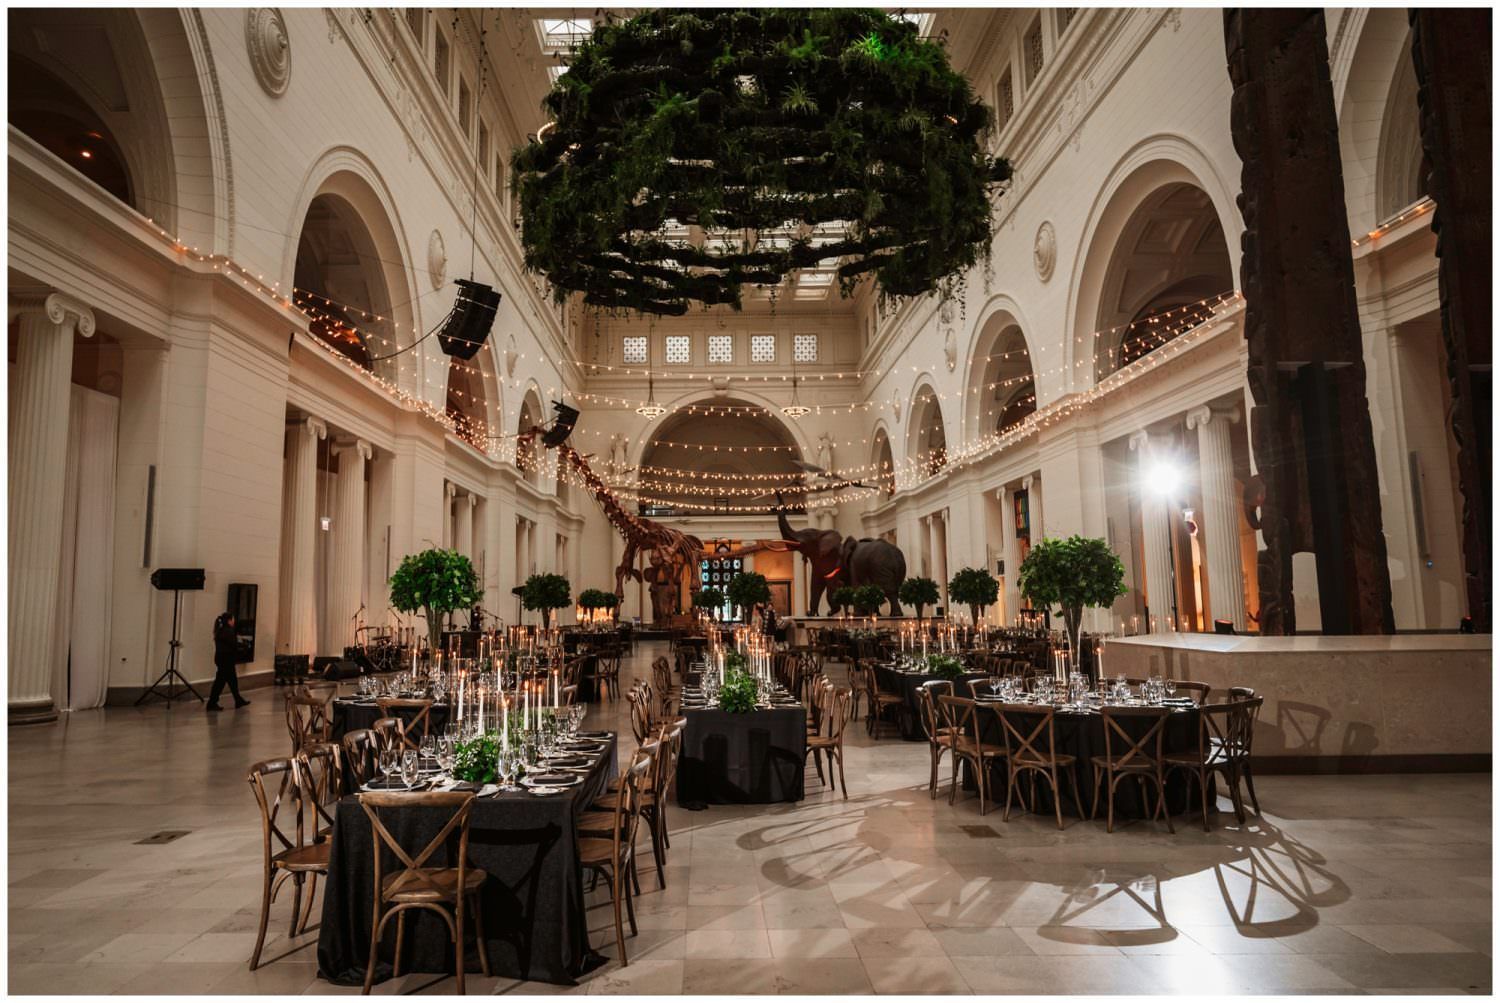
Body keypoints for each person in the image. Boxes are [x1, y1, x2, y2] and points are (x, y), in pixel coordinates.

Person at [207, 611, 250, 711]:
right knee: (220, 682)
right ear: (229, 621)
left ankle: (238, 700)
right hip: (226, 659)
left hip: (222, 659)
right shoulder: (228, 631)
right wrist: (244, 645)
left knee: (232, 680)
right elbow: (233, 645)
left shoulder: (221, 630)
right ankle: (212, 702)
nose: (234, 621)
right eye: (233, 619)